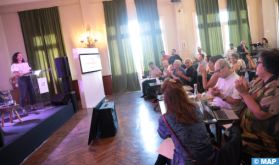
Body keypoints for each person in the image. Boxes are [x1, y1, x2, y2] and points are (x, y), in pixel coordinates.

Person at [156, 79, 217, 165]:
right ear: (183, 93)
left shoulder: (165, 119)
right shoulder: (195, 108)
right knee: (171, 142)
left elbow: (162, 134)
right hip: (208, 155)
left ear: (166, 98)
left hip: (190, 161)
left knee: (167, 144)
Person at [235, 49, 279, 163]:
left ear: (267, 67)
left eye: (258, 62)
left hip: (265, 146)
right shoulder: (260, 81)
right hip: (248, 138)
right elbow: (248, 100)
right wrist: (244, 91)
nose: (255, 64)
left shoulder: (276, 88)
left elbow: (261, 114)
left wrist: (244, 93)